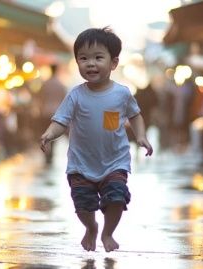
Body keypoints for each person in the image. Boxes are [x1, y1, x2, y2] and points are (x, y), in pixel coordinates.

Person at [39, 27, 153, 252]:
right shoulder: (76, 95)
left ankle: (107, 232)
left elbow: (135, 115)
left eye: (98, 57)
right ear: (77, 63)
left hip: (114, 162)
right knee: (82, 204)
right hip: (81, 164)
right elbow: (61, 121)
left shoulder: (122, 93)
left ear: (113, 63)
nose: (90, 63)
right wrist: (49, 134)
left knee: (116, 199)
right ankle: (90, 227)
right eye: (83, 58)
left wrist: (141, 136)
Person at [37, 64, 67, 164]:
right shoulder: (61, 84)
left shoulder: (45, 84)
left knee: (45, 134)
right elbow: (64, 100)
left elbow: (40, 97)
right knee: (53, 134)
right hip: (56, 113)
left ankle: (46, 153)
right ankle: (51, 153)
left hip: (45, 111)